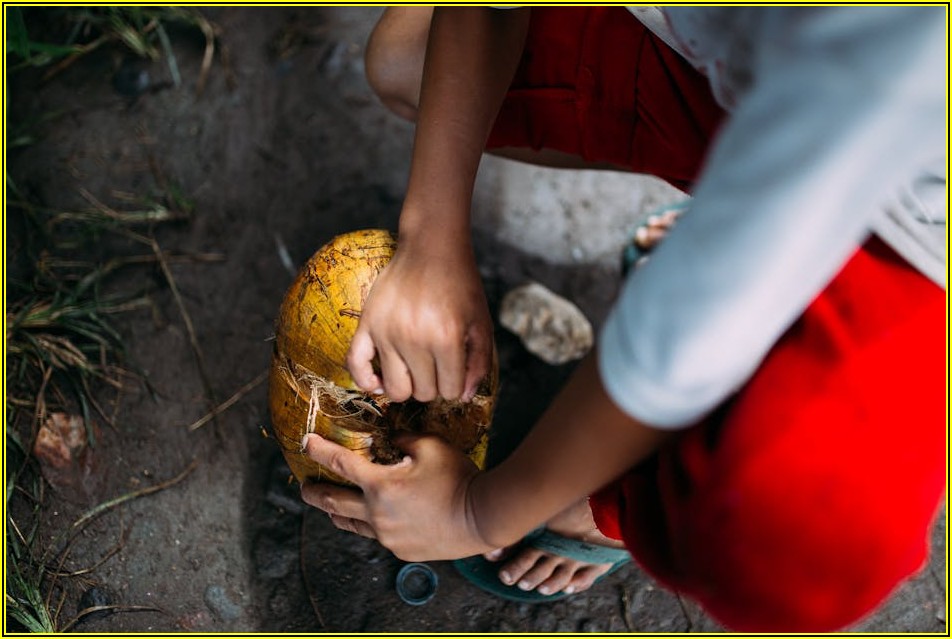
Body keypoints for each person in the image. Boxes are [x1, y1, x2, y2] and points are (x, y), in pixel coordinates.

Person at [299, 6, 946, 632]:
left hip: (911, 222)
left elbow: (691, 328)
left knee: (810, 544)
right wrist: (431, 237)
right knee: (411, 61)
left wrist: (478, 514)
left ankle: (618, 500)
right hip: (752, 81)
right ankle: (734, 206)